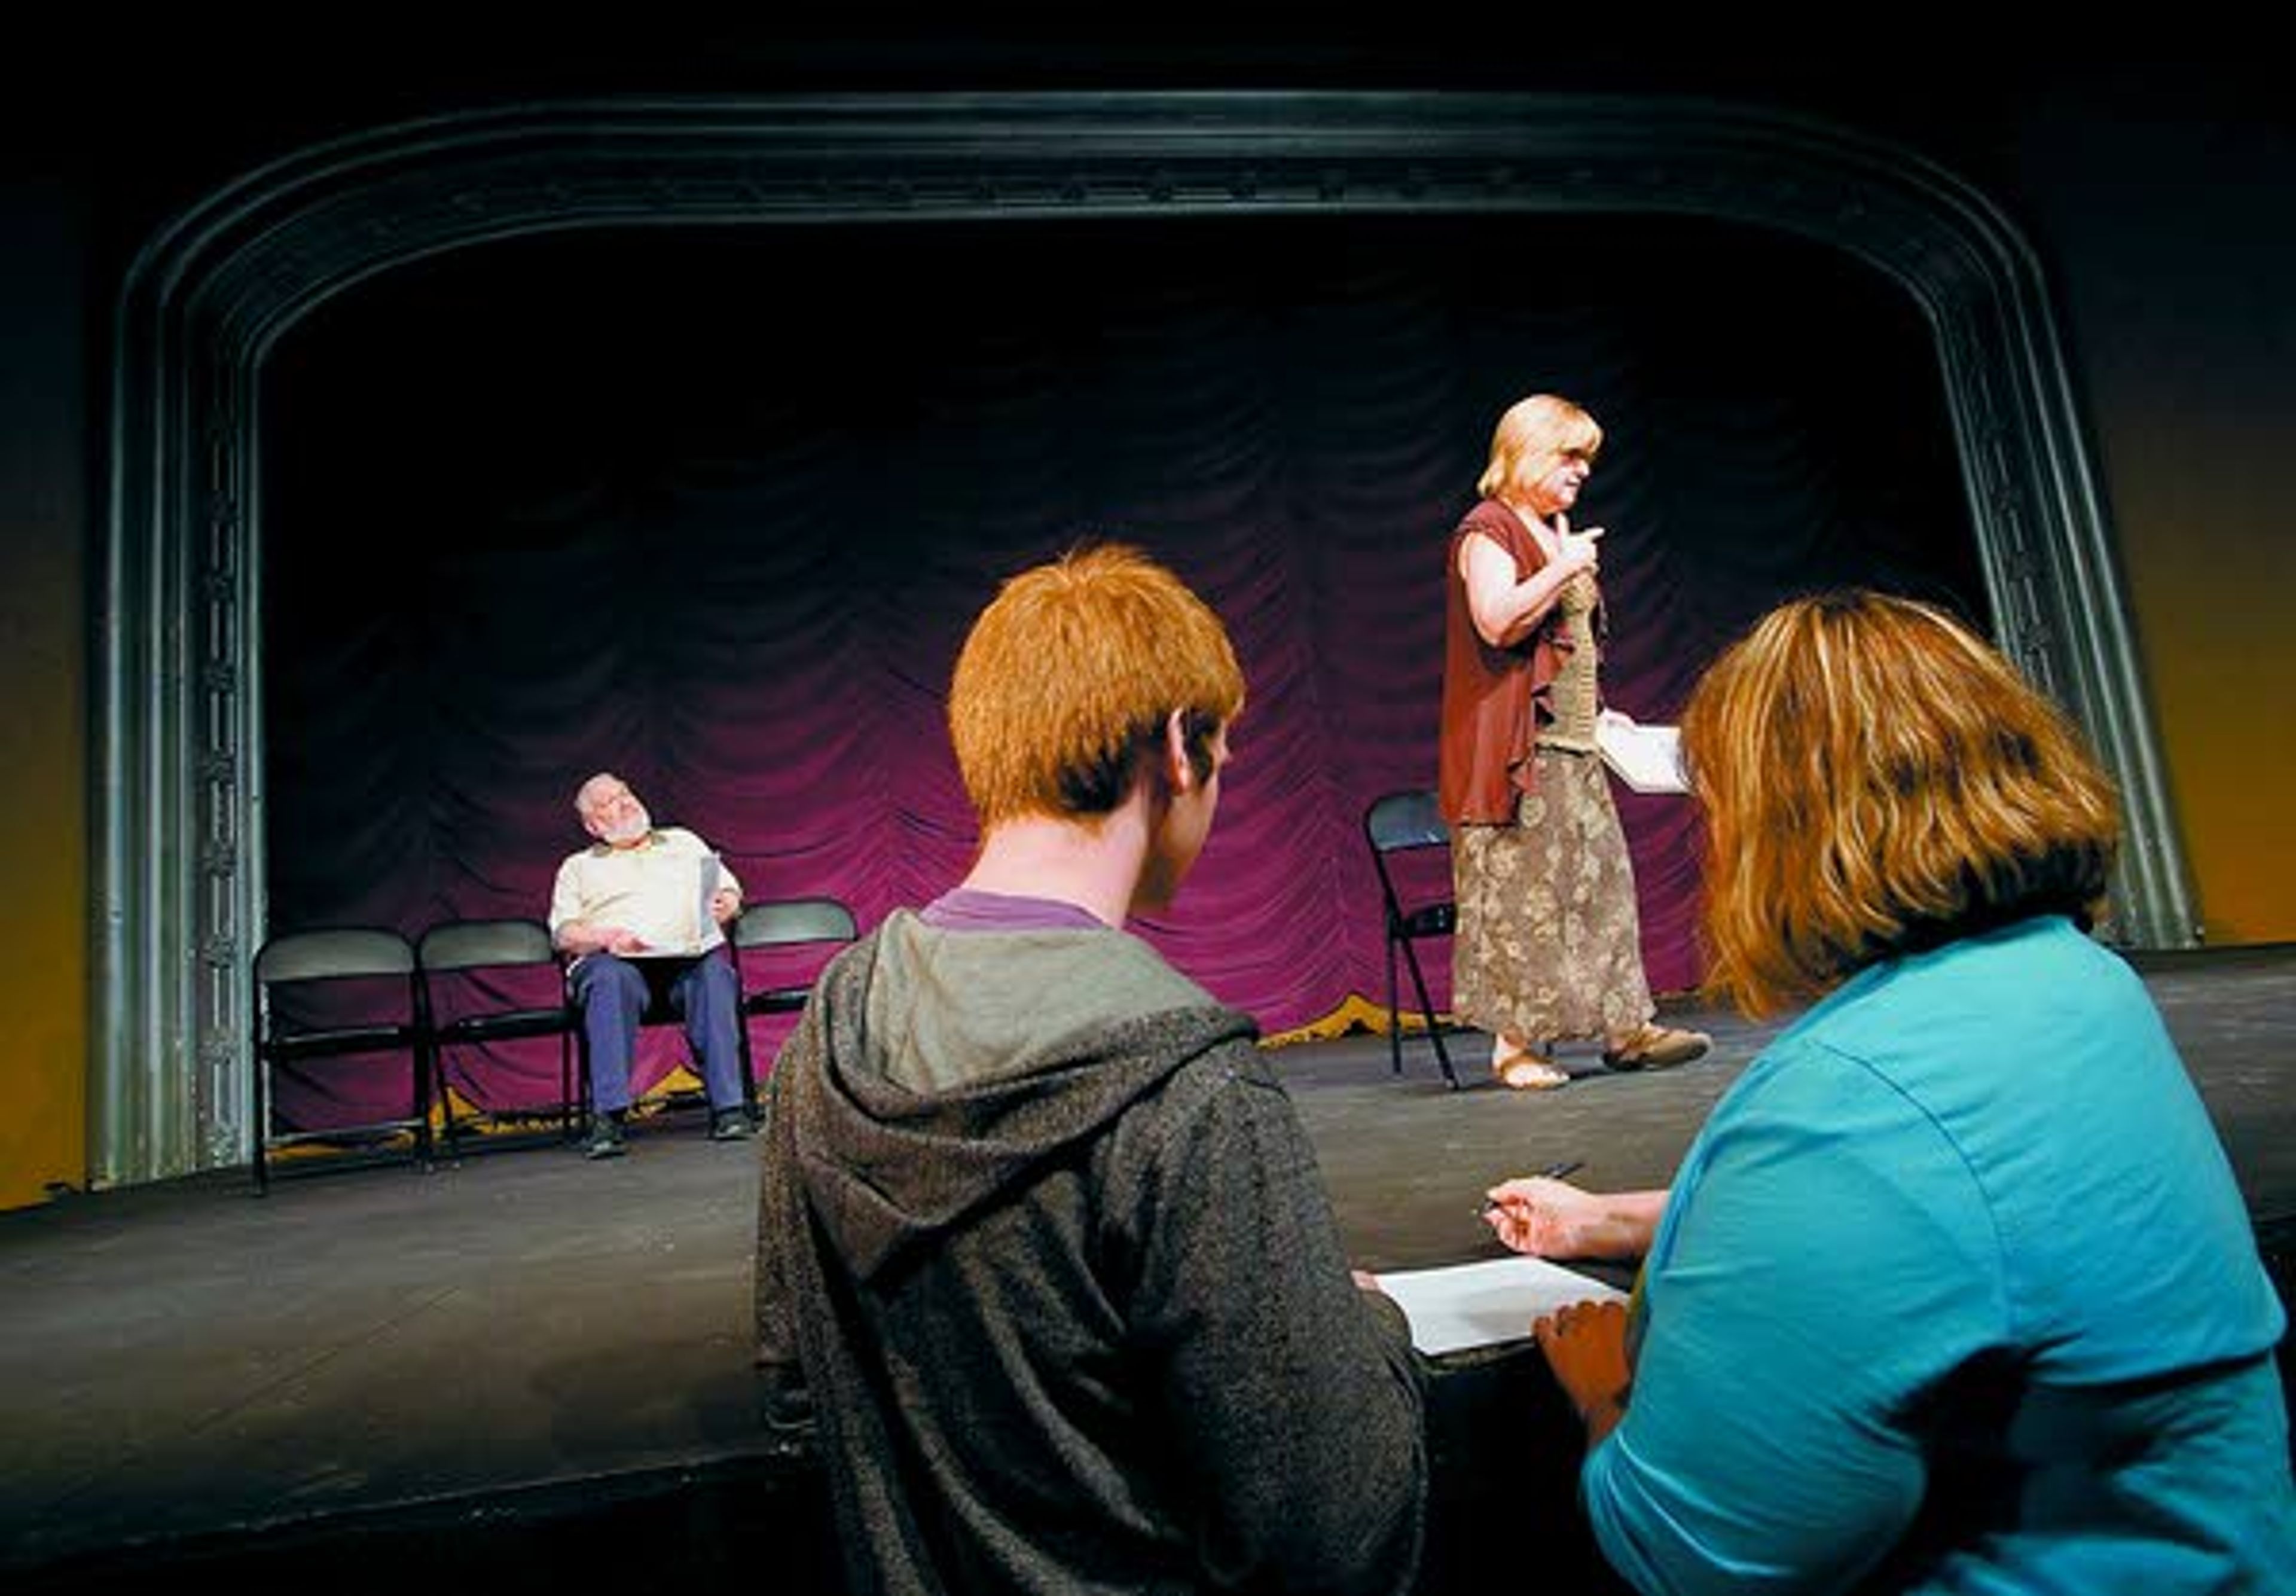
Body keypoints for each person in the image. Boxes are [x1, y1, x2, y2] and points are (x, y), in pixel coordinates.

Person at [1497, 590, 2296, 1594]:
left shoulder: (1858, 1099)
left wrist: (1606, 1386)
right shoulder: (2078, 985)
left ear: (1776, 824)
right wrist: (1618, 1219)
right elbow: (1980, 1214)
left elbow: (1697, 1553)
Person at [752, 544, 1428, 1596]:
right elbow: (1336, 1532)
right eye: (1226, 742)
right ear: (1178, 745)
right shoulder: (1190, 1084)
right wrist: (1366, 1328)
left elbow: (798, 1392)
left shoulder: (828, 1033)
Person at [1437, 391, 1709, 1090]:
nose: (1582, 470)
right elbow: (1497, 622)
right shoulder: (1487, 529)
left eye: (1587, 458)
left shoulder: (1553, 527)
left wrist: (1599, 715)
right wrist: (1564, 567)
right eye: (1569, 454)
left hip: (1574, 745)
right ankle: (1515, 1047)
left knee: (1599, 886)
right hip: (1514, 752)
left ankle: (1627, 1029)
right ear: (1526, 449)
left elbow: (1564, 649)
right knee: (1523, 893)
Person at [548, 771, 753, 1158]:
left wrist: (728, 901)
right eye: (609, 801)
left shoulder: (684, 841)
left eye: (625, 793)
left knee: (715, 974)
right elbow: (564, 933)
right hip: (617, 963)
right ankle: (608, 1117)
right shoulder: (578, 866)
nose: (624, 802)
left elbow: (727, 887)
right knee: (609, 978)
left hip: (684, 961)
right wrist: (606, 938)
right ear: (593, 824)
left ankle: (730, 1108)